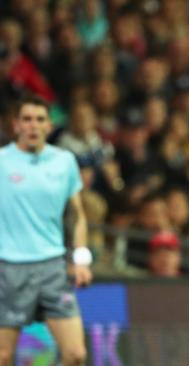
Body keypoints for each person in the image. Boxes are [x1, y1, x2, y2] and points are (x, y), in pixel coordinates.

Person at [0, 96, 92, 366]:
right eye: (26, 119)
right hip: (8, 269)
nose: (33, 126)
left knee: (76, 354)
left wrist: (82, 258)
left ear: (49, 125)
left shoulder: (64, 162)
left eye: (40, 119)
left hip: (53, 268)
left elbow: (76, 213)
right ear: (15, 125)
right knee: (3, 356)